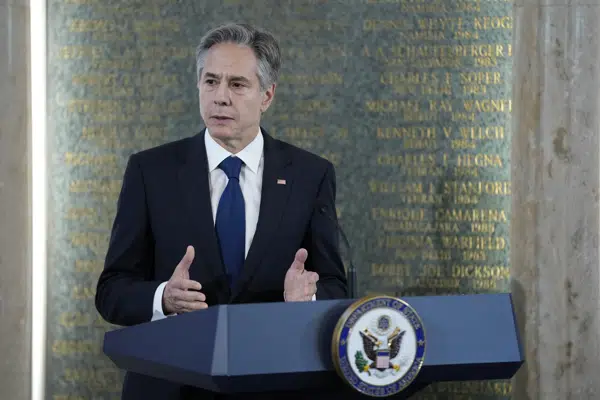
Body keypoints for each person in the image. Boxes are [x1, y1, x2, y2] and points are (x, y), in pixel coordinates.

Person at [95, 22, 348, 399]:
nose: (220, 97)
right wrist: (163, 298)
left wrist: (306, 300)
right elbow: (112, 291)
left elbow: (336, 288)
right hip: (173, 384)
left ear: (267, 95)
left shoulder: (310, 175)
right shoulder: (151, 171)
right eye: (210, 81)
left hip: (274, 383)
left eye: (237, 84)